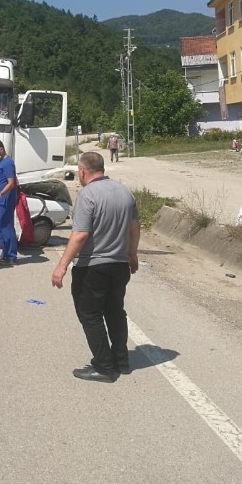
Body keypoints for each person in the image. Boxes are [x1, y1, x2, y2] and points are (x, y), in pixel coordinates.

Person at [51, 151, 140, 383]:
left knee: (90, 315)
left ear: (82, 171)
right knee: (115, 312)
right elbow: (134, 227)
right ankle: (121, 361)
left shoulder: (87, 195)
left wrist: (61, 265)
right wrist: (132, 254)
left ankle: (104, 367)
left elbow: (80, 234)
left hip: (92, 266)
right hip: (119, 265)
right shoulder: (124, 192)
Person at [0, 139, 18, 265]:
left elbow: (11, 183)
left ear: (1, 149)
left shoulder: (8, 163)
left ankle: (11, 257)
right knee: (0, 229)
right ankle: (5, 254)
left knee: (6, 228)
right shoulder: (1, 162)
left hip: (5, 201)